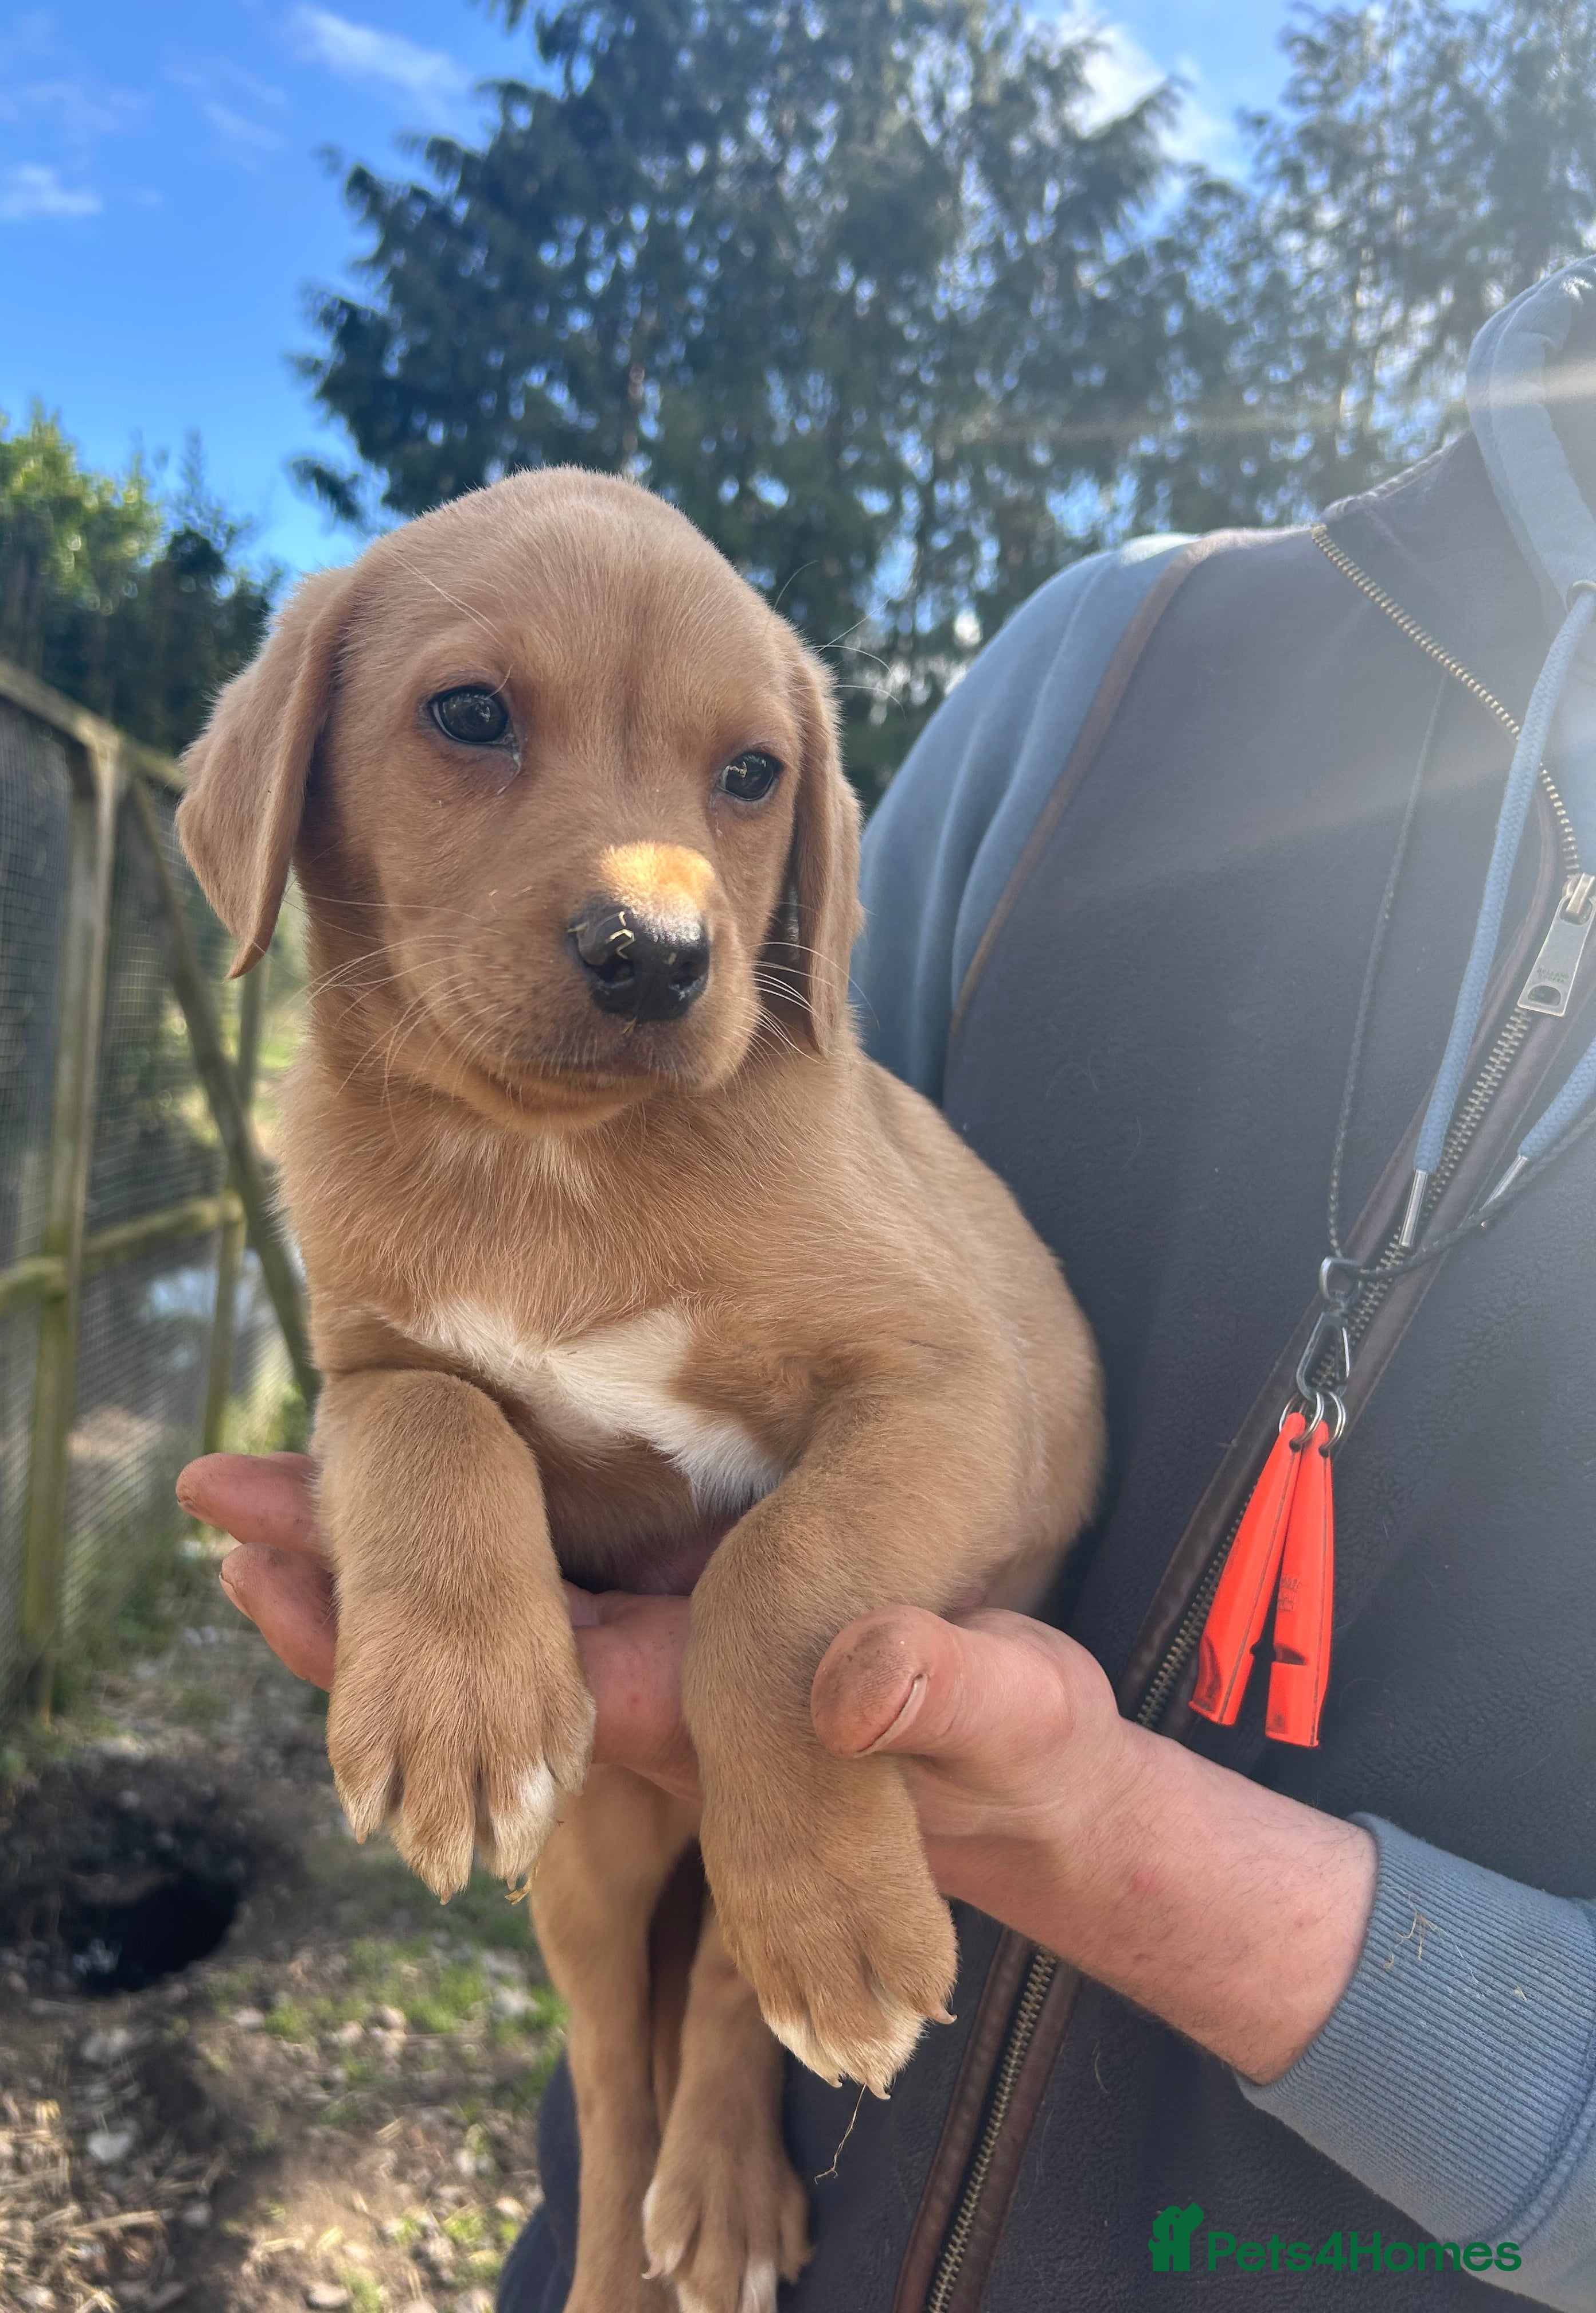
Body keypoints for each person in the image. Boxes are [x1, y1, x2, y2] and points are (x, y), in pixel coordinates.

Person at [179, 257, 1596, 2309]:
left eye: (740, 784)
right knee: (593, 1908)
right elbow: (399, 1376)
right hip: (787, 2020)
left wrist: (1013, 1790)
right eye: (474, 723)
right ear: (281, 788)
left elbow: (949, 1398)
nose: (655, 890)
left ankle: (717, 2069)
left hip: (1270, 2232)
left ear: (799, 861)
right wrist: (419, 1472)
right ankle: (614, 2186)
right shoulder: (1120, 666)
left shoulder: (783, 1109)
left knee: (754, 1744)